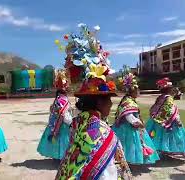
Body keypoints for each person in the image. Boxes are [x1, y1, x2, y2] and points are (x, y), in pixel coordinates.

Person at [55, 24, 132, 180]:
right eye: (108, 100)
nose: (111, 104)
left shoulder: (79, 122)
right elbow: (106, 172)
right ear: (98, 102)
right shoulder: (101, 131)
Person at [112, 73, 159, 165]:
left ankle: (125, 161)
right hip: (128, 127)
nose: (138, 93)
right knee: (130, 145)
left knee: (127, 145)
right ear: (133, 91)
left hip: (125, 126)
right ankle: (127, 162)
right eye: (137, 91)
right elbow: (128, 115)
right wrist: (136, 122)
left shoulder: (127, 99)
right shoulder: (129, 101)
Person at [146, 78, 185, 155]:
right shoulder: (169, 98)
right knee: (169, 135)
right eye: (171, 89)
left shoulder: (160, 97)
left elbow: (154, 108)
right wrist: (177, 119)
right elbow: (170, 110)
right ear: (169, 90)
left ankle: (158, 150)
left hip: (156, 119)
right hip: (167, 120)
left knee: (157, 135)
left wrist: (154, 115)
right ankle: (166, 150)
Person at [37, 70, 73, 159]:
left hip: (60, 124)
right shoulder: (62, 99)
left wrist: (55, 130)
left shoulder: (60, 99)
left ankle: (61, 156)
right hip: (62, 124)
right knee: (63, 140)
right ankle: (62, 156)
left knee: (60, 140)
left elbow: (61, 114)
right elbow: (61, 115)